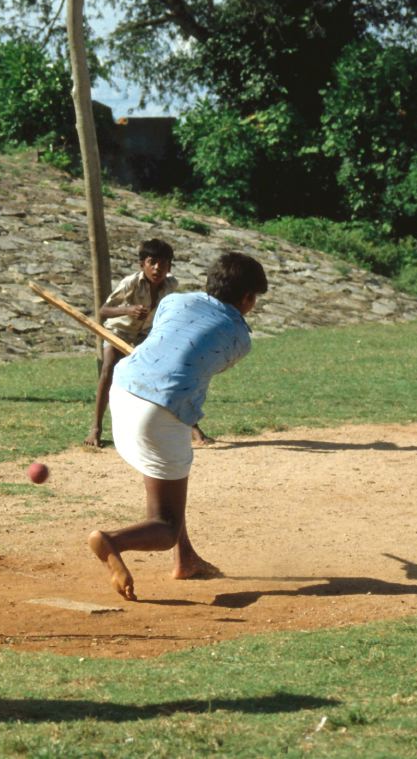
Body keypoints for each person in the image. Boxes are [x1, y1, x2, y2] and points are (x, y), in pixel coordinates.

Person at [88, 251, 268, 601]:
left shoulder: (173, 301)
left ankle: (185, 560)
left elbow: (167, 336)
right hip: (160, 411)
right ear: (247, 298)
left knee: (169, 484)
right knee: (165, 525)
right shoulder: (240, 339)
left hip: (123, 389)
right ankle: (111, 541)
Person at [84, 239, 212, 448]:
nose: (157, 268)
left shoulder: (171, 285)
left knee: (171, 373)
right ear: (142, 264)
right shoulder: (130, 283)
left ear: (169, 267)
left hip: (145, 334)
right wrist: (128, 310)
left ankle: (192, 426)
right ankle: (96, 429)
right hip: (119, 331)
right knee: (108, 369)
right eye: (152, 262)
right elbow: (103, 310)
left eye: (163, 263)